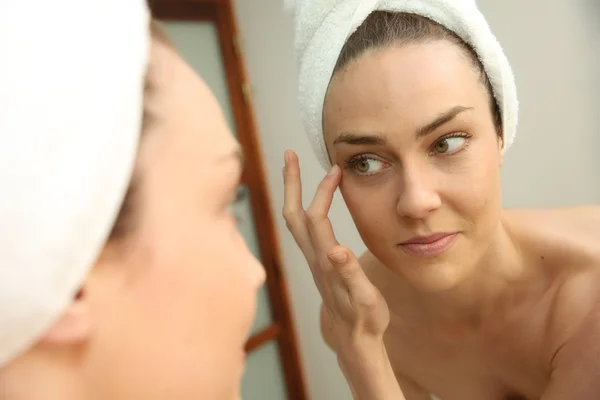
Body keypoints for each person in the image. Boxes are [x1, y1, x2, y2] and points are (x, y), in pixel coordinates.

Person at [283, 3, 600, 400]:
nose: (416, 202)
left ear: (501, 132)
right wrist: (364, 352)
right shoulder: (355, 319)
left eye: (446, 143)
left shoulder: (591, 296)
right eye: (366, 162)